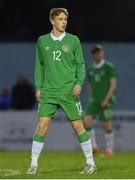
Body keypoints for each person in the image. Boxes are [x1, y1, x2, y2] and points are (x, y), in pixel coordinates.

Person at [27, 8, 96, 175]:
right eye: (60, 19)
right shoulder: (42, 41)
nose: (64, 22)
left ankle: (91, 163)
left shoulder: (73, 40)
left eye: (65, 19)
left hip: (69, 91)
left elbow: (80, 64)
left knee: (78, 125)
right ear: (52, 21)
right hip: (48, 92)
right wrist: (38, 87)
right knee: (41, 126)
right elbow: (39, 66)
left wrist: (79, 83)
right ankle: (33, 164)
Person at [83, 45, 117, 157]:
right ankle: (94, 147)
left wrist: (106, 99)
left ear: (102, 53)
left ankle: (109, 150)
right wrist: (90, 97)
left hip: (106, 99)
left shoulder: (108, 66)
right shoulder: (91, 69)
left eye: (99, 52)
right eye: (96, 53)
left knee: (106, 124)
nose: (98, 54)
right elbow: (90, 85)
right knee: (86, 121)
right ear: (93, 55)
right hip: (94, 100)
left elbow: (113, 84)